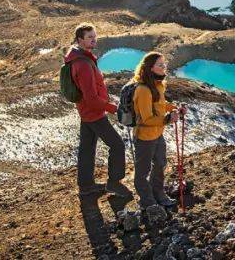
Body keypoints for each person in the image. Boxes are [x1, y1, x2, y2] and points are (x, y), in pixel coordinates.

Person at [66, 23, 132, 199]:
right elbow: (91, 98)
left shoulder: (80, 58)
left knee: (87, 149)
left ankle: (86, 185)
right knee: (117, 145)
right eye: (89, 37)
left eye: (95, 36)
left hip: (87, 112)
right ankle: (114, 183)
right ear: (80, 40)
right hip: (93, 113)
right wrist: (114, 108)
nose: (94, 39)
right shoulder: (83, 64)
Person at [131, 52, 184, 217]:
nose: (164, 67)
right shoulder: (143, 89)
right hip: (145, 137)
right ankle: (148, 200)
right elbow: (146, 119)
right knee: (143, 171)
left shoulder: (158, 84)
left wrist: (174, 108)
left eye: (164, 64)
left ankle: (159, 193)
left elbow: (161, 104)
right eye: (160, 65)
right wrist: (168, 119)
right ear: (150, 68)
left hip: (157, 134)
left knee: (160, 164)